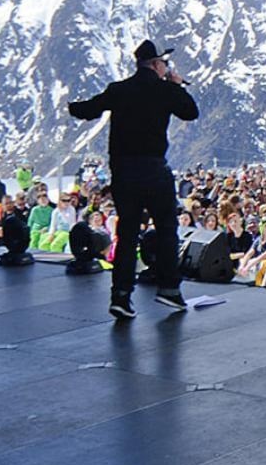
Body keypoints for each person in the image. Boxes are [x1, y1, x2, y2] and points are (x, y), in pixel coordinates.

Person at [67, 39, 199, 320]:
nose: (167, 68)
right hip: (153, 169)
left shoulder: (119, 89)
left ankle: (121, 296)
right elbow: (190, 112)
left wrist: (69, 106)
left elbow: (88, 110)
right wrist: (176, 84)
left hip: (123, 172)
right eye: (164, 63)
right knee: (165, 227)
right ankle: (169, 289)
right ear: (155, 64)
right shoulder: (165, 89)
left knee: (126, 234)